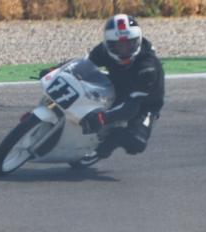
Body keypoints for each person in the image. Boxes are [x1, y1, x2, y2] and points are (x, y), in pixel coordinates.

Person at [40, 14, 165, 162]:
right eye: (118, 46)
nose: (124, 50)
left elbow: (131, 107)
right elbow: (82, 64)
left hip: (144, 103)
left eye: (129, 44)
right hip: (116, 83)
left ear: (137, 41)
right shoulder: (104, 50)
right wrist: (55, 70)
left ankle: (111, 142)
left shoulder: (147, 69)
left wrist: (102, 117)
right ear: (108, 43)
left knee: (136, 142)